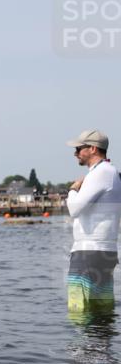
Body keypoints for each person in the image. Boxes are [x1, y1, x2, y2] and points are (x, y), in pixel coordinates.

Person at [64, 129, 121, 314]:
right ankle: (100, 343)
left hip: (89, 251)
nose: (75, 153)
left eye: (79, 148)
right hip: (102, 250)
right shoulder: (109, 172)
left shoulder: (100, 173)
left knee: (78, 310)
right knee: (101, 313)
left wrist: (73, 189)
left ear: (93, 149)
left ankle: (87, 344)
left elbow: (74, 209)